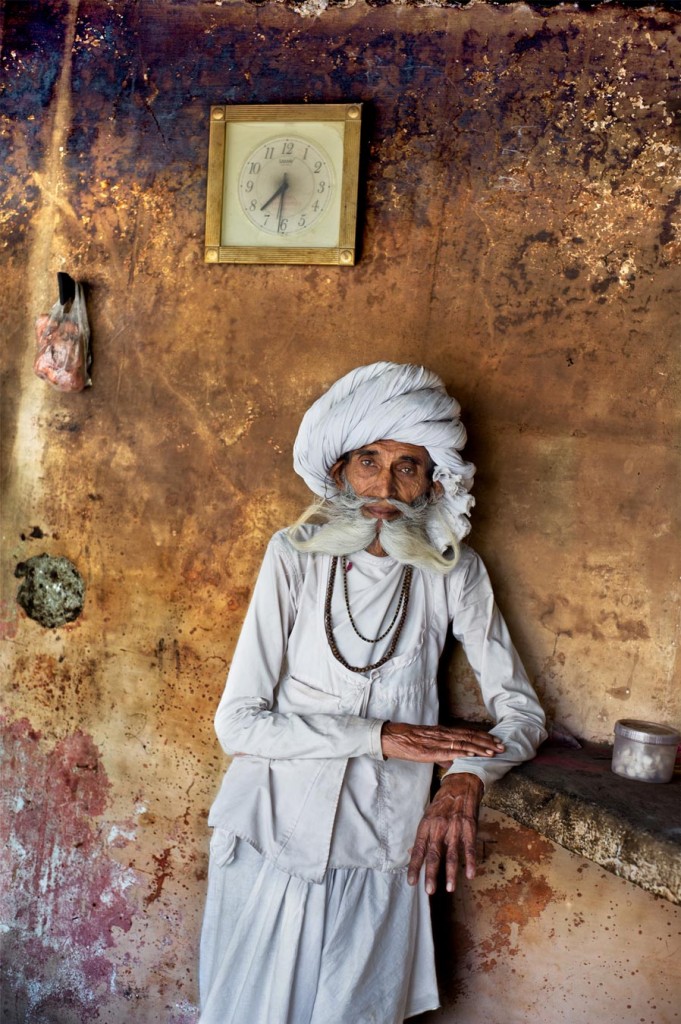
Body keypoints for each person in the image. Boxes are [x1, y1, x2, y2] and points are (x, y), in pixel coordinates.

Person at [198, 362, 547, 1024]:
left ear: (431, 481)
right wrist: (380, 737)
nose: (383, 486)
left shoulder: (454, 572)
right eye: (367, 460)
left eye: (407, 466)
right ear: (338, 471)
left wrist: (465, 780)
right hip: (272, 830)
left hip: (382, 845)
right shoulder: (292, 555)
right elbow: (238, 724)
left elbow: (521, 712)